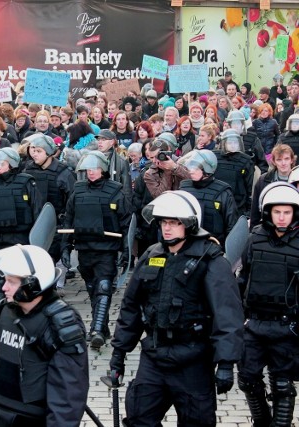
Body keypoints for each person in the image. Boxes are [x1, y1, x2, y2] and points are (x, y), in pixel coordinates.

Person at [108, 190, 243, 426]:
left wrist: (226, 363)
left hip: (193, 359)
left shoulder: (211, 260)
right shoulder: (152, 255)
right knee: (139, 418)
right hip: (154, 355)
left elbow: (227, 313)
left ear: (189, 225)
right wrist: (118, 353)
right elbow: (131, 307)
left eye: (174, 222)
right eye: (163, 222)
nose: (166, 228)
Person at [0, 244, 89, 426]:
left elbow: (69, 394)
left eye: (11, 282)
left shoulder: (61, 322)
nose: (4, 287)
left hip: (31, 419)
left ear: (33, 284)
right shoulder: (5, 311)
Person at [238, 182, 299, 426]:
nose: (282, 217)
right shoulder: (256, 238)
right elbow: (244, 277)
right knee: (247, 380)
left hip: (287, 327)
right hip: (254, 324)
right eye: (277, 212)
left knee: (283, 384)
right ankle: (261, 420)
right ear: (268, 212)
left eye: (287, 212)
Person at [62, 151, 131, 349]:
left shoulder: (115, 191)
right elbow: (69, 218)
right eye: (88, 169)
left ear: (103, 169)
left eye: (95, 169)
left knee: (103, 287)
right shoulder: (78, 190)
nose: (91, 173)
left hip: (106, 249)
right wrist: (65, 248)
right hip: (85, 248)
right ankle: (102, 326)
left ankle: (98, 329)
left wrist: (125, 251)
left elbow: (126, 222)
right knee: (93, 289)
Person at [0, 148, 43, 313]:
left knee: (19, 283)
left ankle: (21, 316)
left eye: (1, 163)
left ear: (11, 164)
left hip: (20, 241)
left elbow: (37, 213)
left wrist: (35, 244)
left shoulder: (27, 183)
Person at [22, 134, 75, 263]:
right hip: (32, 226)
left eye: (39, 151)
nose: (35, 154)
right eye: (33, 150)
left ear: (49, 153)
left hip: (55, 228)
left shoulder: (63, 173)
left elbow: (72, 203)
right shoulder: (27, 171)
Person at [179, 149, 239, 245]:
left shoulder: (223, 192)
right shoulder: (183, 187)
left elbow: (231, 225)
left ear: (207, 170)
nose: (191, 171)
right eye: (190, 167)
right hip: (186, 243)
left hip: (213, 245)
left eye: (195, 168)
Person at [250, 144, 295, 228]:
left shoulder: (297, 179)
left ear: (292, 160)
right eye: (279, 160)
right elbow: (255, 212)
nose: (283, 163)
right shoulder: (263, 180)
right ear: (274, 161)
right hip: (269, 227)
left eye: (286, 159)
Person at [213, 129, 255, 216]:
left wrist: (248, 207)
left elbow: (249, 186)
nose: (233, 146)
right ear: (224, 143)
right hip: (217, 198)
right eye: (230, 143)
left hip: (238, 202)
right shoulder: (214, 156)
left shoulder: (246, 160)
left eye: (235, 143)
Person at [225, 110, 268, 174]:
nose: (236, 126)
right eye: (234, 123)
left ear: (242, 124)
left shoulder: (252, 138)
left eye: (238, 123)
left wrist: (262, 177)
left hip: (248, 172)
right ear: (230, 125)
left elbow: (261, 161)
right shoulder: (225, 139)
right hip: (230, 172)